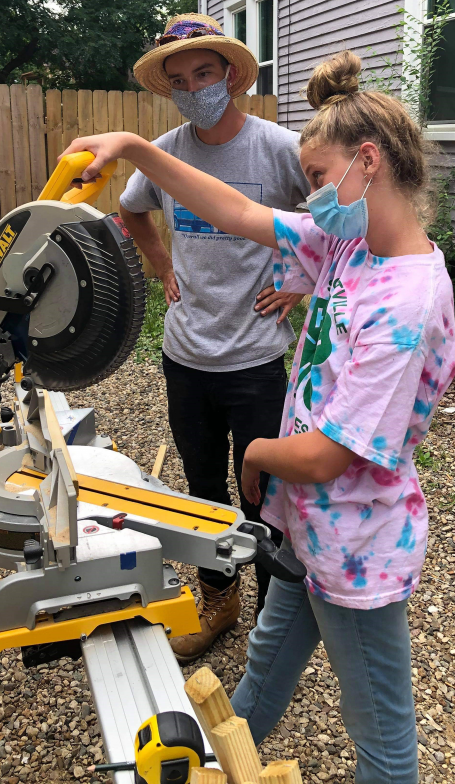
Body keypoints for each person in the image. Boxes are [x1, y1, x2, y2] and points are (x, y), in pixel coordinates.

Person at [62, 49, 455, 783]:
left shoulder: (407, 302)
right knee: (269, 654)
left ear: (367, 161)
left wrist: (259, 455)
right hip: (311, 525)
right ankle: (217, 760)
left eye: (315, 178)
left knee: (382, 735)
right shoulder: (349, 244)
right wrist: (139, 148)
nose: (310, 198)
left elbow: (333, 455)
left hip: (355, 547)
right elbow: (236, 210)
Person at [119, 13, 310, 662]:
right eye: (179, 79)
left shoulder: (279, 149)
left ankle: (270, 621)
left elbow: (332, 222)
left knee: (264, 494)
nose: (194, 86)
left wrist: (300, 280)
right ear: (169, 88)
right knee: (203, 492)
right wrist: (162, 266)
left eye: (204, 73)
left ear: (230, 75)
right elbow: (131, 209)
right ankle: (219, 602)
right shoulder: (167, 151)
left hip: (257, 359)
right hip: (186, 357)